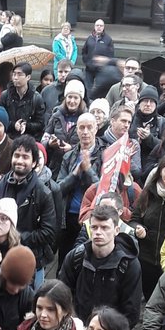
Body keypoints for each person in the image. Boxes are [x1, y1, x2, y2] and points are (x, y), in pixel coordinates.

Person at [58, 203, 142, 326]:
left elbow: (131, 313)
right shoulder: (76, 257)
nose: (98, 232)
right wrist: (74, 325)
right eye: (94, 227)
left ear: (116, 230)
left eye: (104, 227)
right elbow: (62, 295)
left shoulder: (129, 264)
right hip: (76, 329)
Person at [0, 135, 57, 285]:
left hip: (31, 259)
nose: (20, 160)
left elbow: (49, 233)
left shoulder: (43, 193)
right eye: (17, 155)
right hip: (0, 255)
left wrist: (15, 237)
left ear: (34, 162)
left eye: (25, 157)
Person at [130, 152, 165, 298]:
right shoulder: (148, 192)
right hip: (147, 257)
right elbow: (134, 218)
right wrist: (138, 228)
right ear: (160, 172)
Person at [56, 110, 104, 259]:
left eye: (89, 127)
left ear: (96, 128)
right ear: (76, 130)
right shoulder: (69, 156)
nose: (85, 132)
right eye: (81, 128)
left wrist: (88, 170)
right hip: (69, 215)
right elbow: (58, 189)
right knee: (65, 260)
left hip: (92, 216)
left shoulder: (105, 154)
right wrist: (75, 174)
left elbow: (103, 190)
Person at [0, 64, 46, 140]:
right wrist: (13, 125)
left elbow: (40, 124)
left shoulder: (36, 98)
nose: (15, 77)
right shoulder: (5, 95)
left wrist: (27, 125)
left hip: (29, 139)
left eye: (19, 74)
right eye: (14, 74)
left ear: (28, 77)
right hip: (8, 138)